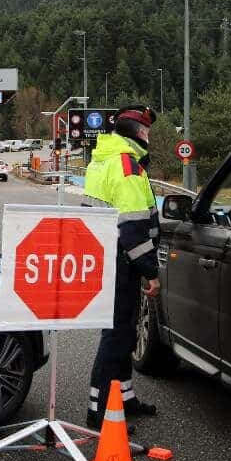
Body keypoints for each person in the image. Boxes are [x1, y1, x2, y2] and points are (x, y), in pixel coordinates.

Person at [81, 105, 161, 428]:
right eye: (146, 130)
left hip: (105, 257)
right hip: (121, 262)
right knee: (116, 336)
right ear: (136, 132)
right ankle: (98, 412)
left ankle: (123, 398)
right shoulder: (127, 166)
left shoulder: (103, 160)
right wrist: (150, 271)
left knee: (124, 333)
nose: (149, 135)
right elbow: (132, 228)